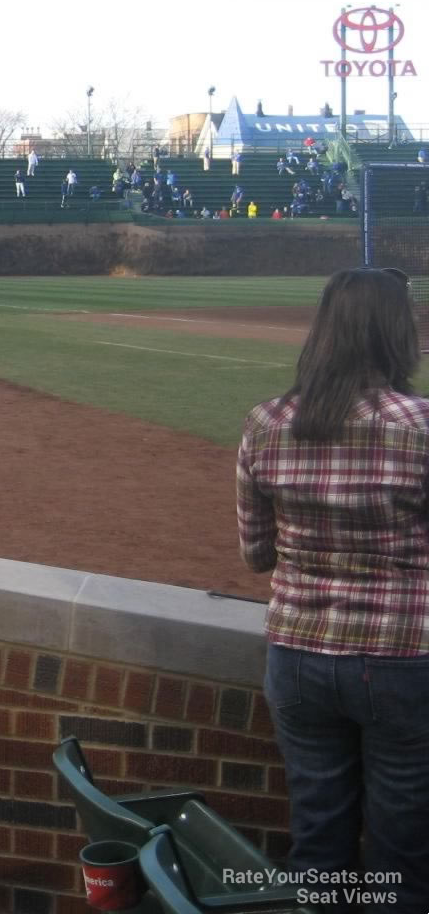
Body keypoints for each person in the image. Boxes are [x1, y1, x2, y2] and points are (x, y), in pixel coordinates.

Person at [237, 268, 429, 912]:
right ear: (397, 334)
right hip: (402, 659)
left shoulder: (266, 422)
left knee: (319, 845)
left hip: (296, 655)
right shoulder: (420, 427)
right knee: (401, 854)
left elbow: (256, 553)